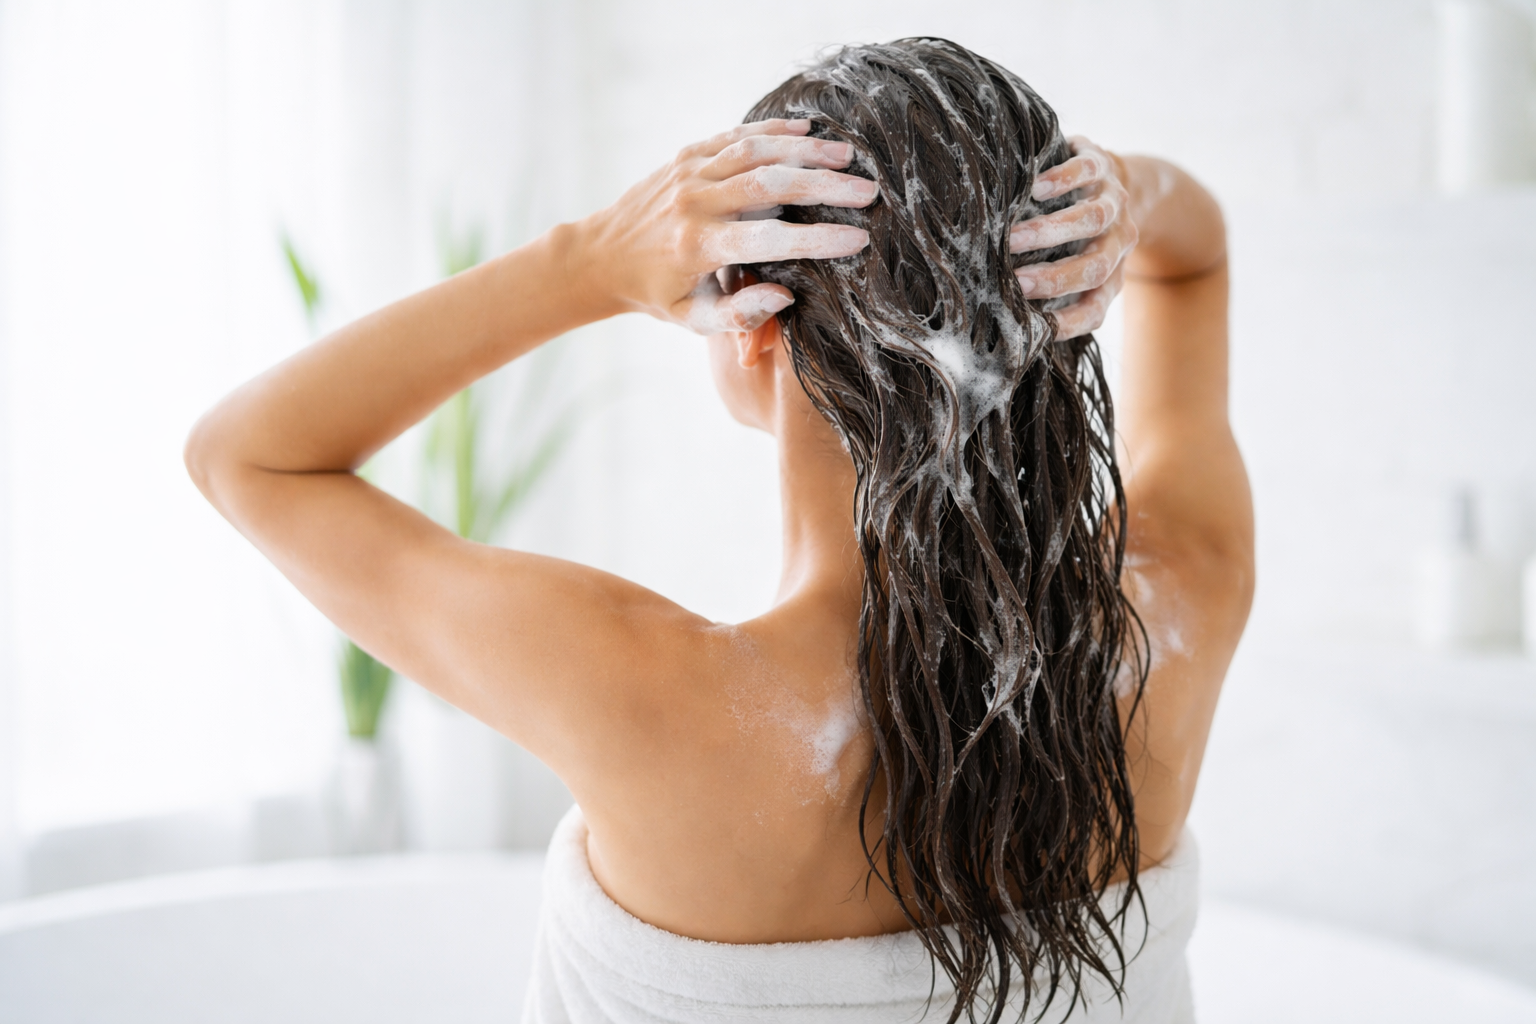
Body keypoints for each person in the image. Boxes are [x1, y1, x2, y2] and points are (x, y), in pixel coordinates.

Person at [187, 37, 1251, 1024]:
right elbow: (1194, 262)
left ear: (752, 328)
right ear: (1062, 300)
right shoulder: (1177, 611)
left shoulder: (640, 694)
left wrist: (590, 256)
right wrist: (1115, 187)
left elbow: (247, 454)